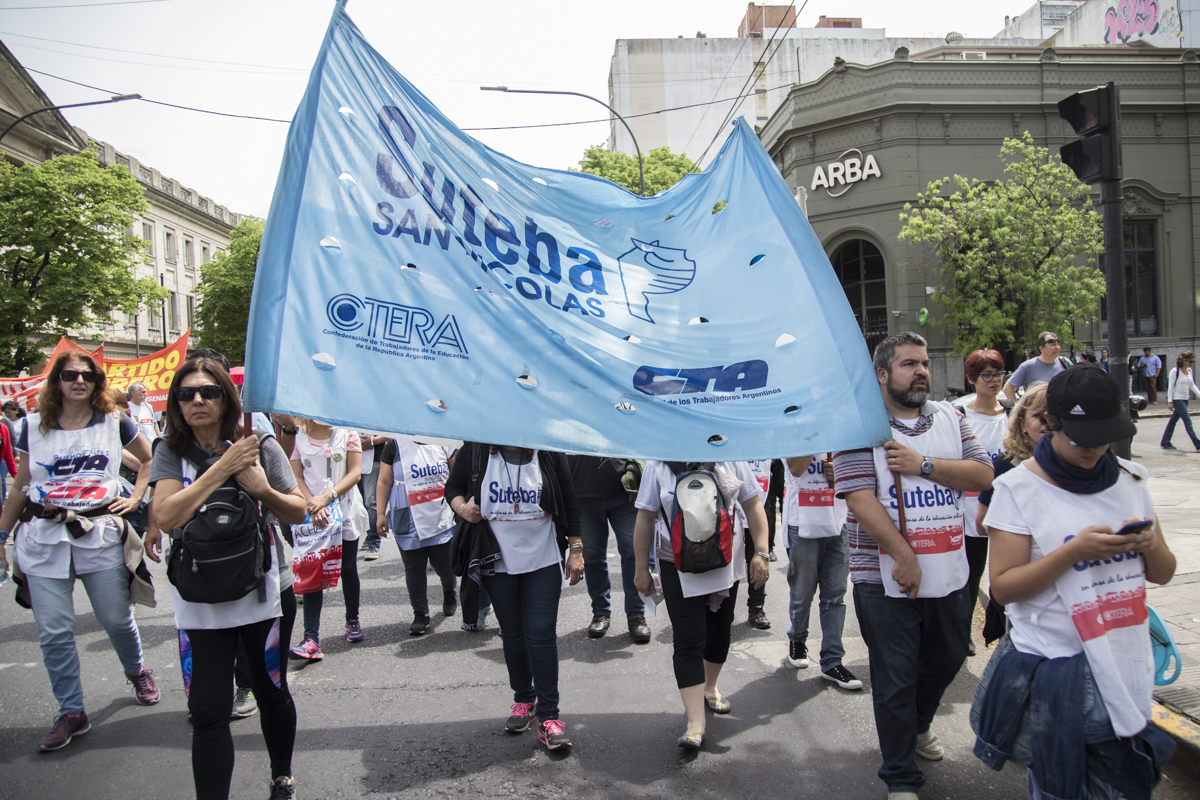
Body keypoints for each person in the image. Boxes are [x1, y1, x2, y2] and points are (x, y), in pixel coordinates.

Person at [977, 366, 1177, 799]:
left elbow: (1163, 572)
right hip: (1058, 676)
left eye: (1104, 438)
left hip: (1126, 665)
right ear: (1050, 422)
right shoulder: (1017, 488)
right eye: (1082, 439)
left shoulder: (1131, 479)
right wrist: (1072, 553)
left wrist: (1149, 545)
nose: (1095, 449)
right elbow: (1003, 588)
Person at [834, 332, 993, 799]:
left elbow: (982, 473)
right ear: (882, 374)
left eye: (923, 363)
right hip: (883, 578)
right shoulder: (857, 424)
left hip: (948, 570)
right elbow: (859, 497)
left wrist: (923, 465)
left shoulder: (951, 418)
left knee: (947, 658)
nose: (921, 371)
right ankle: (901, 776)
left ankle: (919, 723)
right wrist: (903, 555)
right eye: (909, 364)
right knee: (895, 677)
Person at [148, 356, 307, 800]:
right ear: (176, 403)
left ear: (227, 397)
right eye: (186, 394)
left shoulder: (259, 443)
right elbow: (166, 516)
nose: (197, 401)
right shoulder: (169, 451)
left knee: (271, 690)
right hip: (198, 599)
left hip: (263, 592)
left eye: (208, 392)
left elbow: (297, 509)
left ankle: (281, 777)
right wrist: (221, 468)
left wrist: (261, 489)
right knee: (207, 710)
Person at [0, 351, 158, 752]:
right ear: (57, 380)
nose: (79, 381)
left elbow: (150, 461)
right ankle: (72, 711)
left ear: (97, 382)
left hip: (97, 532)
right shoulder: (31, 426)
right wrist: (2, 535)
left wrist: (136, 497)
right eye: (70, 375)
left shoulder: (114, 421)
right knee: (54, 631)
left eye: (87, 375)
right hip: (42, 538)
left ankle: (136, 670)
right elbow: (20, 485)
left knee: (116, 618)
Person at [445, 443, 583, 751]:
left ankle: (549, 717)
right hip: (496, 558)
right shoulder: (477, 447)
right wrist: (462, 508)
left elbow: (569, 500)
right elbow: (452, 487)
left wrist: (576, 550)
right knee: (512, 633)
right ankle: (524, 700)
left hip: (543, 557)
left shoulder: (547, 448)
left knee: (541, 634)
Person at [632, 460, 771, 750]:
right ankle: (695, 722)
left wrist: (761, 553)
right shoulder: (658, 464)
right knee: (688, 639)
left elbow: (753, 504)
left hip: (725, 559)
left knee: (719, 630)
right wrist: (641, 568)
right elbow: (645, 516)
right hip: (675, 562)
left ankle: (710, 686)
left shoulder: (730, 458)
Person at [288, 419, 369, 659]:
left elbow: (354, 473)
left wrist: (327, 497)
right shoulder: (299, 436)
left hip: (344, 511)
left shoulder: (347, 432)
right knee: (313, 570)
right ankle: (311, 638)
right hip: (315, 516)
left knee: (347, 567)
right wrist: (313, 504)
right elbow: (296, 477)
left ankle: (352, 619)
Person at [782, 453, 860, 690]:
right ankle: (797, 639)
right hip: (803, 523)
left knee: (835, 596)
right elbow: (796, 468)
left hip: (839, 523)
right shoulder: (796, 431)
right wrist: (815, 435)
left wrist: (841, 473)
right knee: (802, 593)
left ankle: (832, 661)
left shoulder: (840, 435)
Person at [955, 349, 1010, 656]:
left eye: (998, 373)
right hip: (970, 508)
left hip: (1007, 508)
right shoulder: (961, 415)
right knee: (971, 573)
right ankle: (963, 632)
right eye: (986, 375)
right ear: (972, 379)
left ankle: (1002, 629)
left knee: (1005, 572)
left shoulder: (1011, 413)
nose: (994, 380)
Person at [376, 437, 458, 635]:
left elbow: (457, 477)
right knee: (414, 567)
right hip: (408, 517)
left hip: (439, 516)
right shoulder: (394, 445)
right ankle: (420, 613)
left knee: (444, 564)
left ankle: (449, 590)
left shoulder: (444, 441)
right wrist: (380, 514)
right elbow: (384, 481)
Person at [568, 455, 651, 643]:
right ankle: (600, 612)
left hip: (623, 491)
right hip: (582, 490)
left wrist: (640, 480)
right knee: (593, 556)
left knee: (634, 554)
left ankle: (636, 615)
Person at [743, 458, 774, 629]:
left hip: (760, 505)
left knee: (758, 558)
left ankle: (756, 607)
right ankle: (721, 608)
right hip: (731, 507)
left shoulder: (766, 443)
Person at [1003, 332, 1070, 401]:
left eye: (1058, 345)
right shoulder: (1028, 366)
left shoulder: (1065, 363)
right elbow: (1008, 388)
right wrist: (1017, 406)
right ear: (1041, 348)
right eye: (1052, 345)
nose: (1057, 347)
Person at [1161, 351, 1200, 451]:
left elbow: (1192, 385)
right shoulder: (1175, 371)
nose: (1192, 363)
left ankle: (1165, 442)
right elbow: (1170, 387)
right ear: (1184, 361)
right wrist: (1170, 402)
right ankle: (1198, 445)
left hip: (1185, 399)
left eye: (1193, 362)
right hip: (1177, 399)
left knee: (1173, 421)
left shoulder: (1189, 370)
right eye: (1191, 361)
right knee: (1188, 422)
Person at [359, 430, 385, 560]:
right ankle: (370, 535)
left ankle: (374, 543)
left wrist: (374, 441)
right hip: (352, 458)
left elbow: (392, 432)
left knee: (371, 502)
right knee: (360, 502)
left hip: (373, 459)